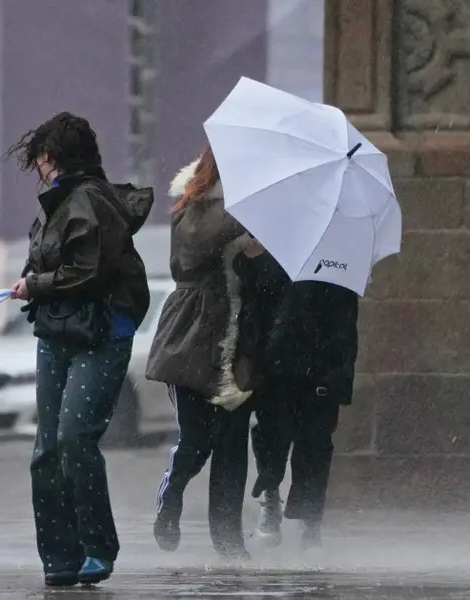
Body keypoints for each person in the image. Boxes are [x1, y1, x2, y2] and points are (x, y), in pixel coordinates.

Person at [5, 112, 152, 587]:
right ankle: (59, 559)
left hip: (102, 332)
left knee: (72, 437)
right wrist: (32, 279)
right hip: (57, 332)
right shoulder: (54, 205)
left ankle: (96, 547)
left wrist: (37, 284)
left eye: (42, 158)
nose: (39, 167)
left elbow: (89, 272)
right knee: (46, 450)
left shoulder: (90, 201)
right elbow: (46, 261)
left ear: (55, 157)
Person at [145, 147, 260, 561]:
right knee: (196, 439)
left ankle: (229, 541)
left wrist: (261, 249)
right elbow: (200, 242)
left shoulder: (250, 213)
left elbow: (259, 277)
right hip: (191, 333)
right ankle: (171, 496)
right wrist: (248, 222)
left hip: (236, 341)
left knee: (231, 443)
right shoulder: (193, 205)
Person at [242, 252, 359, 550]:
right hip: (278, 366)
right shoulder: (274, 254)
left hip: (320, 366)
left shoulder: (339, 262)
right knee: (272, 436)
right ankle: (270, 496)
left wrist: (338, 375)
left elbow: (345, 324)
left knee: (315, 444)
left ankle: (310, 520)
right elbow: (256, 306)